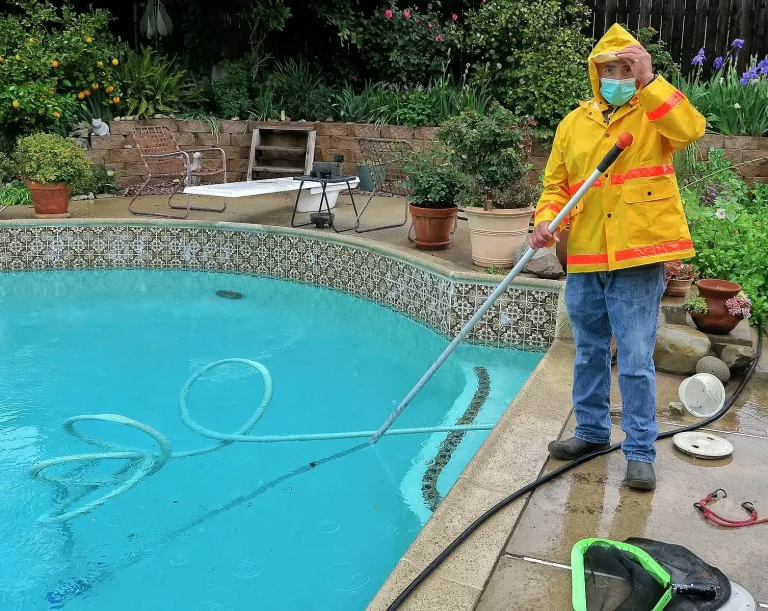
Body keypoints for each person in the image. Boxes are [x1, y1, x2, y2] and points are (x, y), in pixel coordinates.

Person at [530, 24, 705, 490]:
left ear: (638, 69)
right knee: (588, 351)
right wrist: (546, 221)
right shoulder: (574, 123)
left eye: (626, 68)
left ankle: (641, 450)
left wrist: (649, 81)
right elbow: (556, 186)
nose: (617, 76)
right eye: (610, 69)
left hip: (635, 257)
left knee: (633, 356)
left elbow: (690, 130)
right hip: (585, 254)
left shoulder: (654, 112)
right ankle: (589, 433)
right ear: (596, 73)